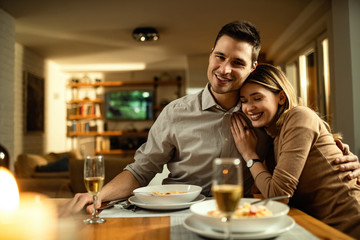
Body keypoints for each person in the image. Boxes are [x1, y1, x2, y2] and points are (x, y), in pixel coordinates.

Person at [61, 20, 360, 217]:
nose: (225, 69)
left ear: (253, 67)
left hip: (235, 213)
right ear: (211, 54)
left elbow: (304, 151)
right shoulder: (175, 113)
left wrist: (343, 157)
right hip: (174, 212)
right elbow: (141, 170)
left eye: (237, 62)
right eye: (220, 56)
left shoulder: (263, 119)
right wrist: (98, 196)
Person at [230, 63, 360, 237]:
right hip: (318, 226)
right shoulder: (271, 137)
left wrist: (249, 154)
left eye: (257, 98)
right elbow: (263, 190)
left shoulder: (299, 116)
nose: (249, 107)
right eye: (244, 101)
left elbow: (277, 196)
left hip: (350, 223)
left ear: (281, 97)